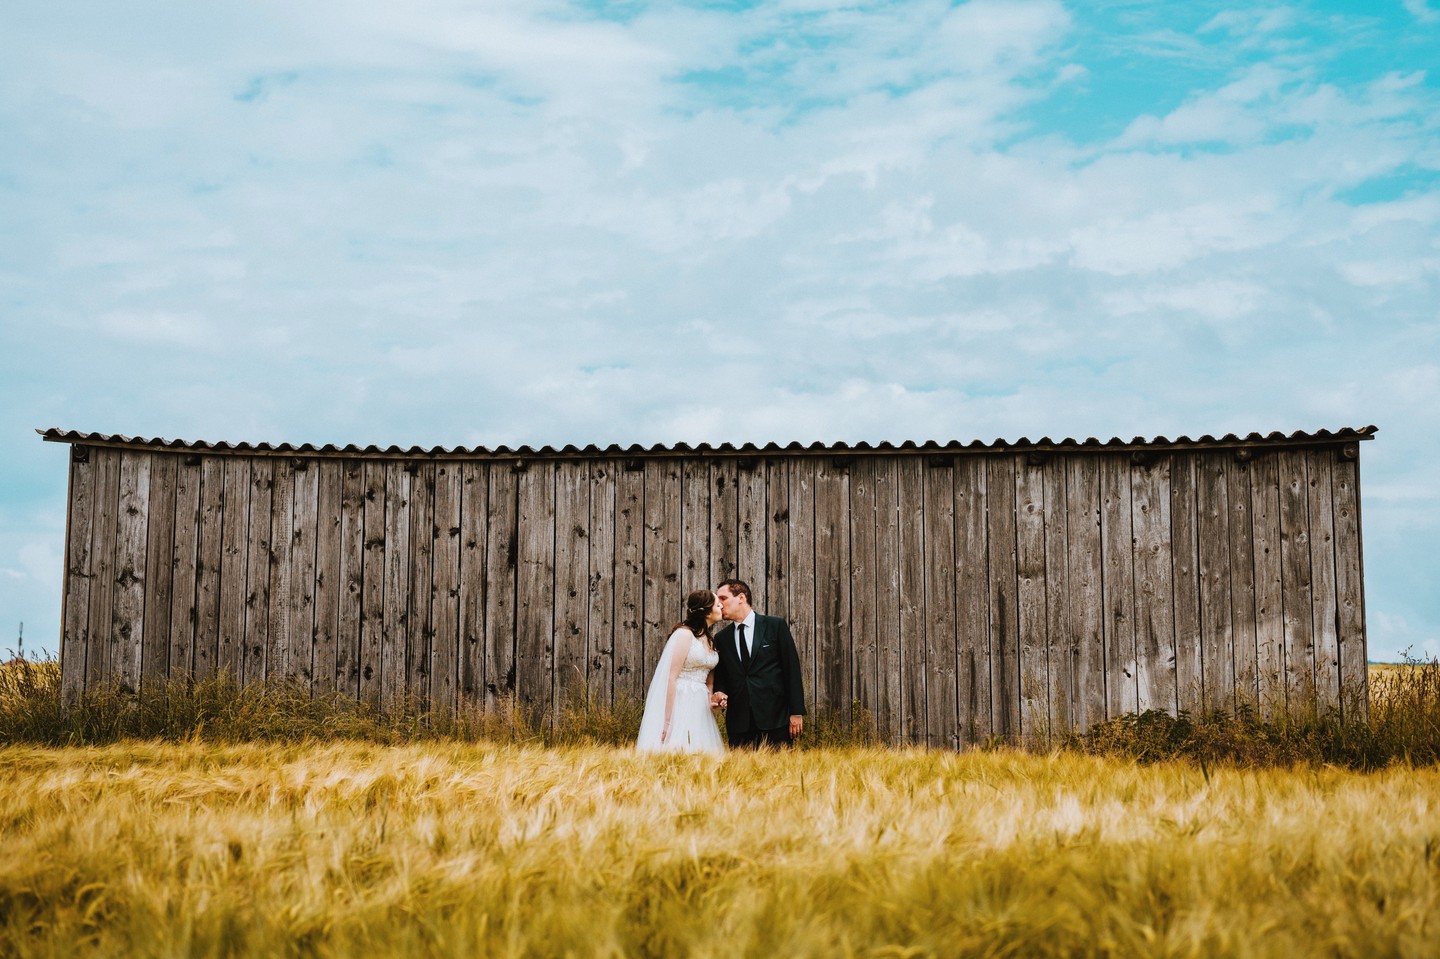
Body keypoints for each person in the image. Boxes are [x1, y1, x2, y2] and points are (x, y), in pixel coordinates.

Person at [710, 579, 806, 748]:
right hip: (739, 723)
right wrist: (720, 692)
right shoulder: (721, 638)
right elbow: (723, 677)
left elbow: (791, 669)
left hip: (775, 718)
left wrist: (796, 712)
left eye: (723, 598)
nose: (719, 604)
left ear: (741, 598)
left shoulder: (774, 626)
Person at [635, 589, 726, 754]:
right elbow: (671, 677)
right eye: (717, 603)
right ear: (706, 611)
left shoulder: (710, 639)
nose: (721, 605)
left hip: (700, 704)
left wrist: (710, 699)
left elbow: (709, 678)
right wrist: (668, 721)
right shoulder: (684, 635)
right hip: (681, 699)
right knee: (678, 746)